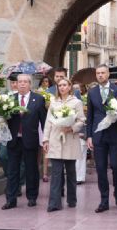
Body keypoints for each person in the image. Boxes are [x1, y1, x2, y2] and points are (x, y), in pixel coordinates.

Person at [2, 73, 47, 210]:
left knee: (31, 169)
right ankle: (11, 199)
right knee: (12, 170)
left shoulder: (38, 99)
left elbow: (44, 121)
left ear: (30, 84)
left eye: (24, 82)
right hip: (14, 140)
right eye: (19, 82)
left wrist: (46, 139)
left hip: (31, 140)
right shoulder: (10, 99)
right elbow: (4, 119)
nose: (21, 84)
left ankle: (32, 197)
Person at [86, 64, 117, 213]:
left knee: (116, 166)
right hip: (99, 135)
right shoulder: (92, 92)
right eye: (98, 73)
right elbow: (89, 116)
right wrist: (89, 135)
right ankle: (104, 200)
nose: (100, 75)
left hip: (116, 134)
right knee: (101, 168)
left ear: (108, 74)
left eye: (103, 73)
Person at [42, 78, 86, 211]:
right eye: (59, 85)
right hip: (55, 139)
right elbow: (48, 122)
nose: (62, 87)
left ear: (69, 87)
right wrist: (45, 140)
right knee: (56, 173)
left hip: (70, 140)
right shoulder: (54, 102)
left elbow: (81, 120)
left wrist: (71, 128)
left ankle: (72, 199)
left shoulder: (76, 102)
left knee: (71, 172)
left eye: (64, 85)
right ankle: (54, 203)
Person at [0, 72, 25, 195]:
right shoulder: (5, 97)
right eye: (13, 82)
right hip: (6, 132)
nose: (14, 85)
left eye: (16, 82)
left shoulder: (24, 96)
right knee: (3, 156)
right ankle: (11, 179)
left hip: (21, 133)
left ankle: (17, 184)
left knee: (21, 160)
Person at [72, 82, 88, 185]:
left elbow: (86, 120)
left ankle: (80, 177)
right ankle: (74, 175)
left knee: (81, 156)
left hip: (81, 133)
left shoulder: (85, 103)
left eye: (78, 88)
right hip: (70, 134)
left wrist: (84, 134)